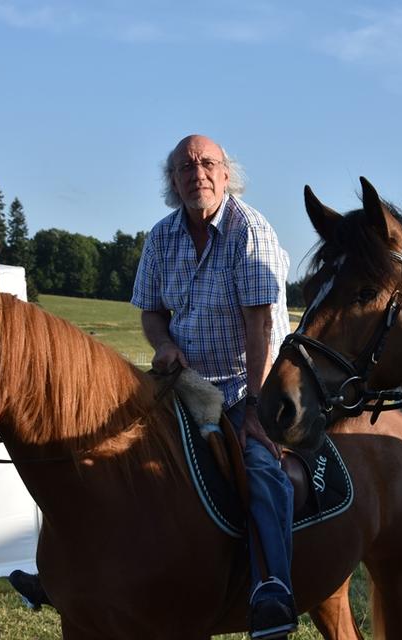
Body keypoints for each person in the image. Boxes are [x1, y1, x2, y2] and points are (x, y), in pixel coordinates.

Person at [131, 134, 296, 639]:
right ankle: (81, 567)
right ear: (173, 182)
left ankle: (273, 588)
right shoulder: (162, 236)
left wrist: (254, 408)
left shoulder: (250, 230)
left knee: (260, 466)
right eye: (184, 167)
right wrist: (162, 345)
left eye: (207, 164)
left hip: (251, 377)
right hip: (185, 379)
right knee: (115, 446)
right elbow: (152, 311)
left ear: (226, 175)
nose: (195, 173)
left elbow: (260, 329)